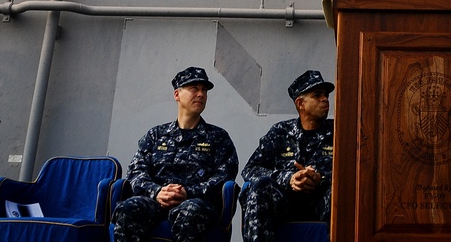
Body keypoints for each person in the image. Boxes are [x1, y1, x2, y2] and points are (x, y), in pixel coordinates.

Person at [113, 67, 238, 242]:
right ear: (177, 94)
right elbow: (136, 171)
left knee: (190, 212)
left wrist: (188, 192)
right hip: (155, 200)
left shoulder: (218, 138)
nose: (201, 94)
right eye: (194, 88)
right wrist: (156, 191)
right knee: (129, 209)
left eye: (204, 90)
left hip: (196, 203)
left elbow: (224, 177)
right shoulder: (156, 135)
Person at [239, 70, 336, 241]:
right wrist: (288, 178)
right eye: (317, 95)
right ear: (300, 103)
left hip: (321, 201)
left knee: (339, 193)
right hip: (286, 202)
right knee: (259, 187)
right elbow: (251, 169)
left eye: (326, 95)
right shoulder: (280, 132)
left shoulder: (338, 131)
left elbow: (355, 171)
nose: (325, 99)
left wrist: (321, 177)